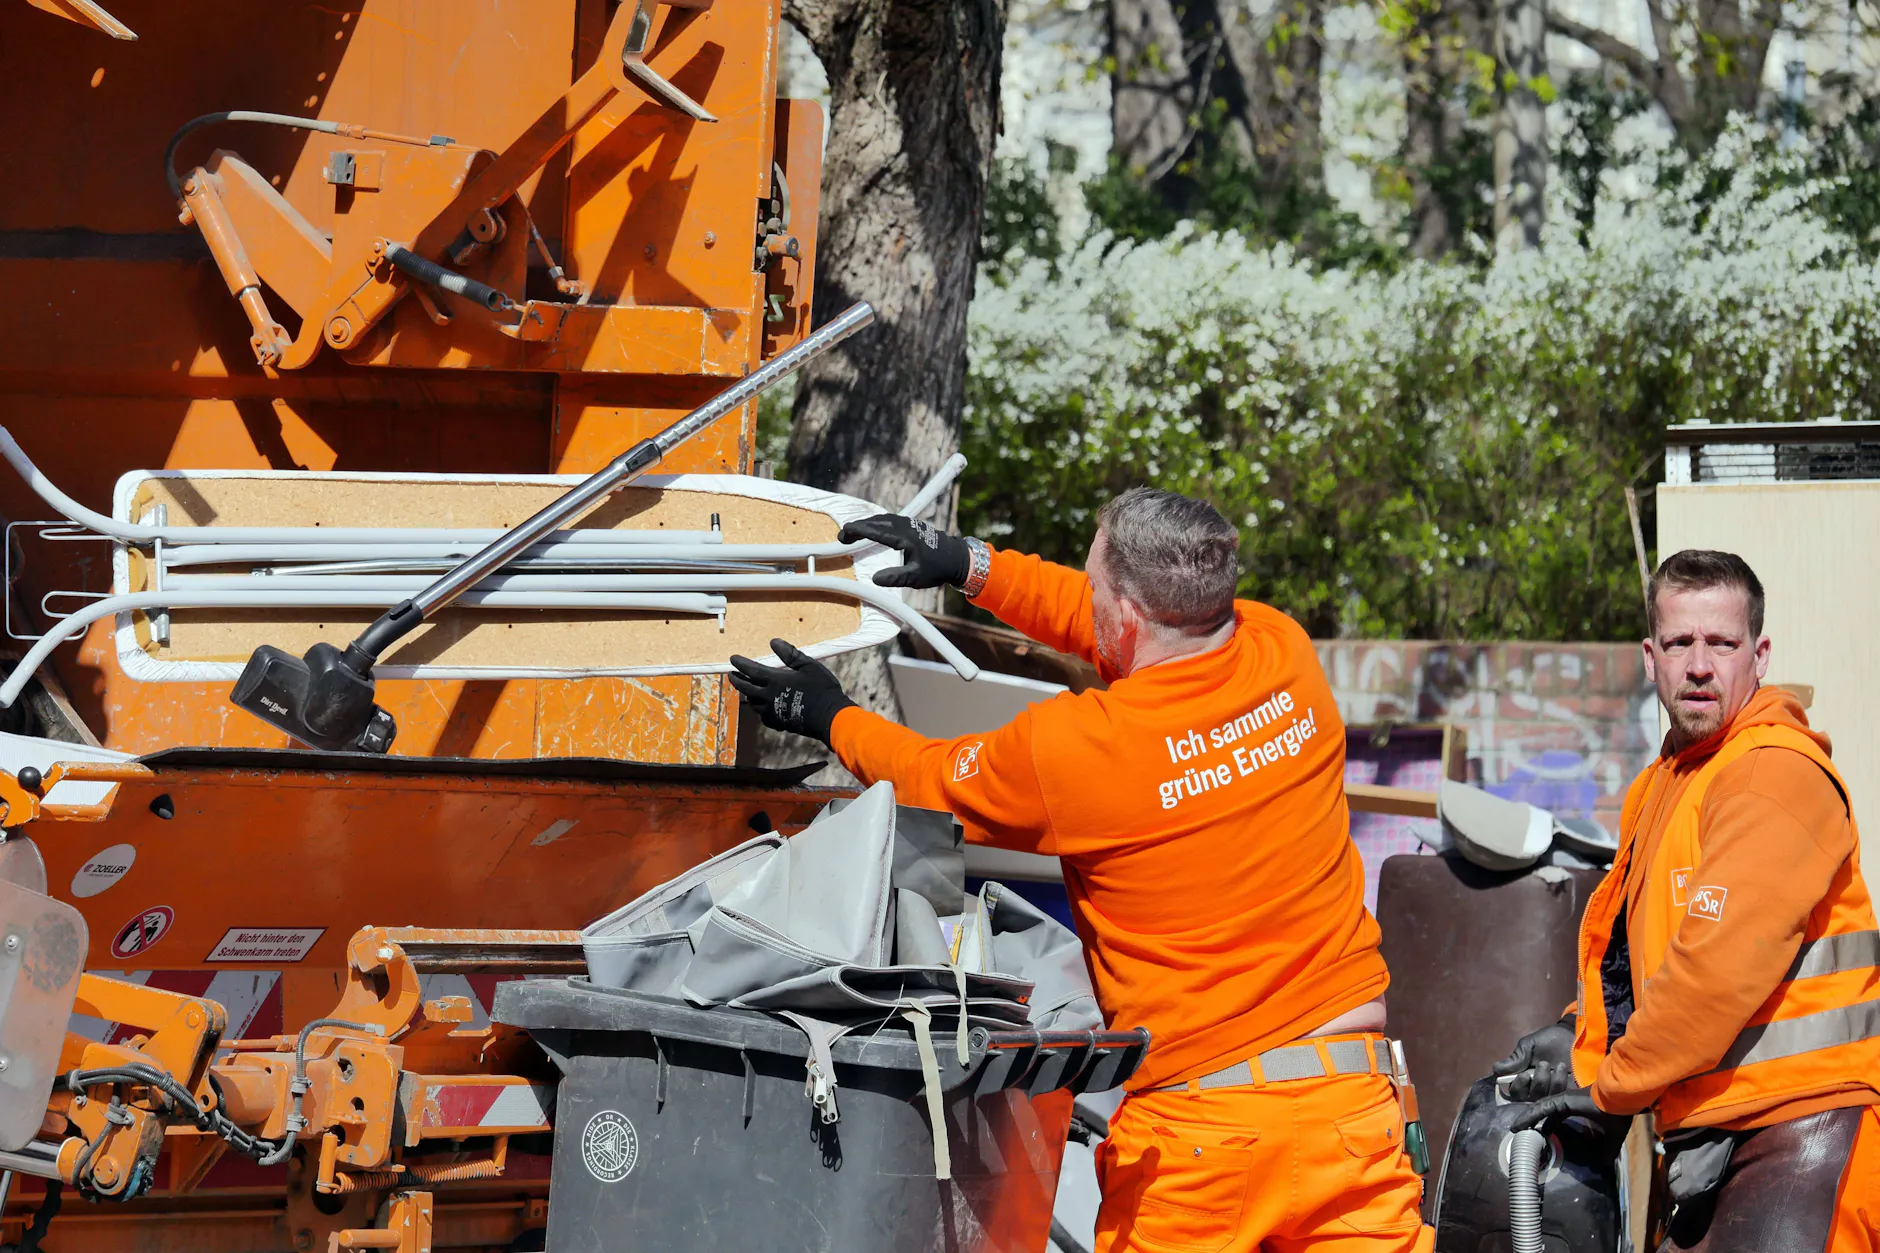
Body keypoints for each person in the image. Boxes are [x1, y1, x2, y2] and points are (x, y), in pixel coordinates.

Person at [729, 488, 1434, 1252]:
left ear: (1125, 615)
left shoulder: (1078, 752)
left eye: (1092, 582)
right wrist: (971, 566)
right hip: (1351, 1110)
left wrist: (832, 714)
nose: (1084, 596)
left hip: (1205, 1141)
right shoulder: (1283, 652)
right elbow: (1115, 616)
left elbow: (931, 777)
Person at [1497, 549, 1880, 1252]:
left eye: (1721, 643)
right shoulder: (1665, 784)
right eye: (1680, 643)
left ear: (1758, 654)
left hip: (1805, 1127)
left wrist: (1612, 1086)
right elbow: (1629, 960)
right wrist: (1582, 1042)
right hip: (1718, 1135)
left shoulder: (1774, 772)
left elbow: (1714, 968)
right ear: (1651, 656)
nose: (1699, 664)